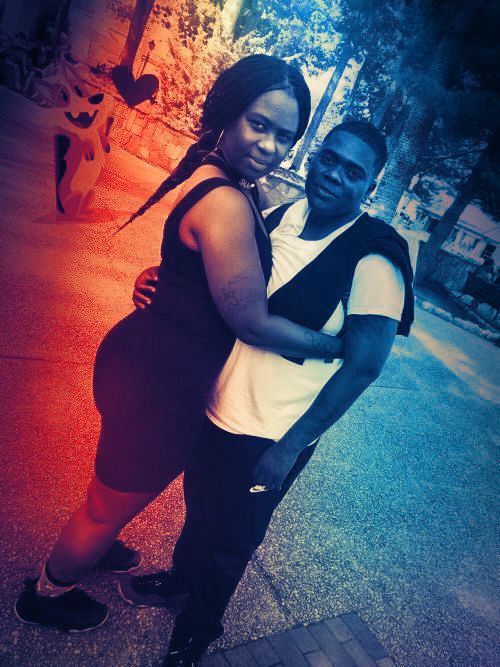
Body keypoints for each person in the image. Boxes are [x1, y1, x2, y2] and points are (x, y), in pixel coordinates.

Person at [15, 54, 348, 633]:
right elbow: (251, 321)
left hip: (152, 365)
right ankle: (48, 590)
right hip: (159, 381)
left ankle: (97, 540)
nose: (271, 146)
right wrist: (335, 346)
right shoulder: (226, 199)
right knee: (108, 500)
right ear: (230, 113)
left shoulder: (229, 182)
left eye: (285, 136)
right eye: (259, 124)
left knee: (124, 483)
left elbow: (194, 268)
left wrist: (160, 279)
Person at [123, 120, 415, 666]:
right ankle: (181, 578)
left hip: (272, 431)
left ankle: (197, 631)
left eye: (354, 172)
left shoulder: (374, 258)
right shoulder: (281, 216)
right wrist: (157, 280)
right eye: (330, 158)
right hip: (216, 405)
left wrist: (289, 448)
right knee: (200, 509)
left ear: (371, 186)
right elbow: (222, 286)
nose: (335, 174)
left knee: (234, 540)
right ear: (315, 156)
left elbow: (363, 366)